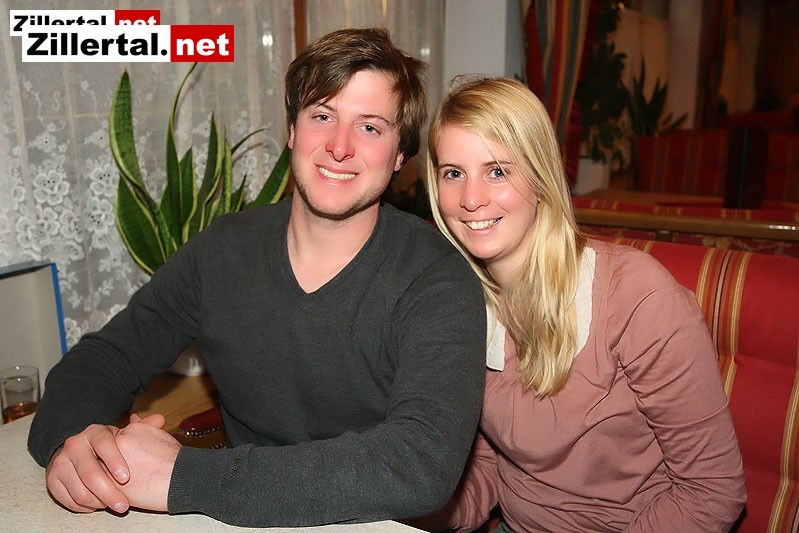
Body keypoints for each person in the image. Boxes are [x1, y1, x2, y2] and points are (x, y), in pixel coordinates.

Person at [27, 28, 487, 527]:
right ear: (292, 130)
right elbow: (107, 356)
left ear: (399, 155)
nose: (339, 146)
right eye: (322, 116)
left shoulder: (437, 280)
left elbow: (419, 462)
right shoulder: (223, 251)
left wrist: (184, 477)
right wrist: (73, 444)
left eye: (370, 127)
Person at [414, 77, 747, 532]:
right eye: (454, 173)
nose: (471, 200)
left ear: (541, 177)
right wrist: (406, 509)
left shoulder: (636, 296)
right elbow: (493, 465)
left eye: (497, 171)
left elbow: (713, 491)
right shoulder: (456, 299)